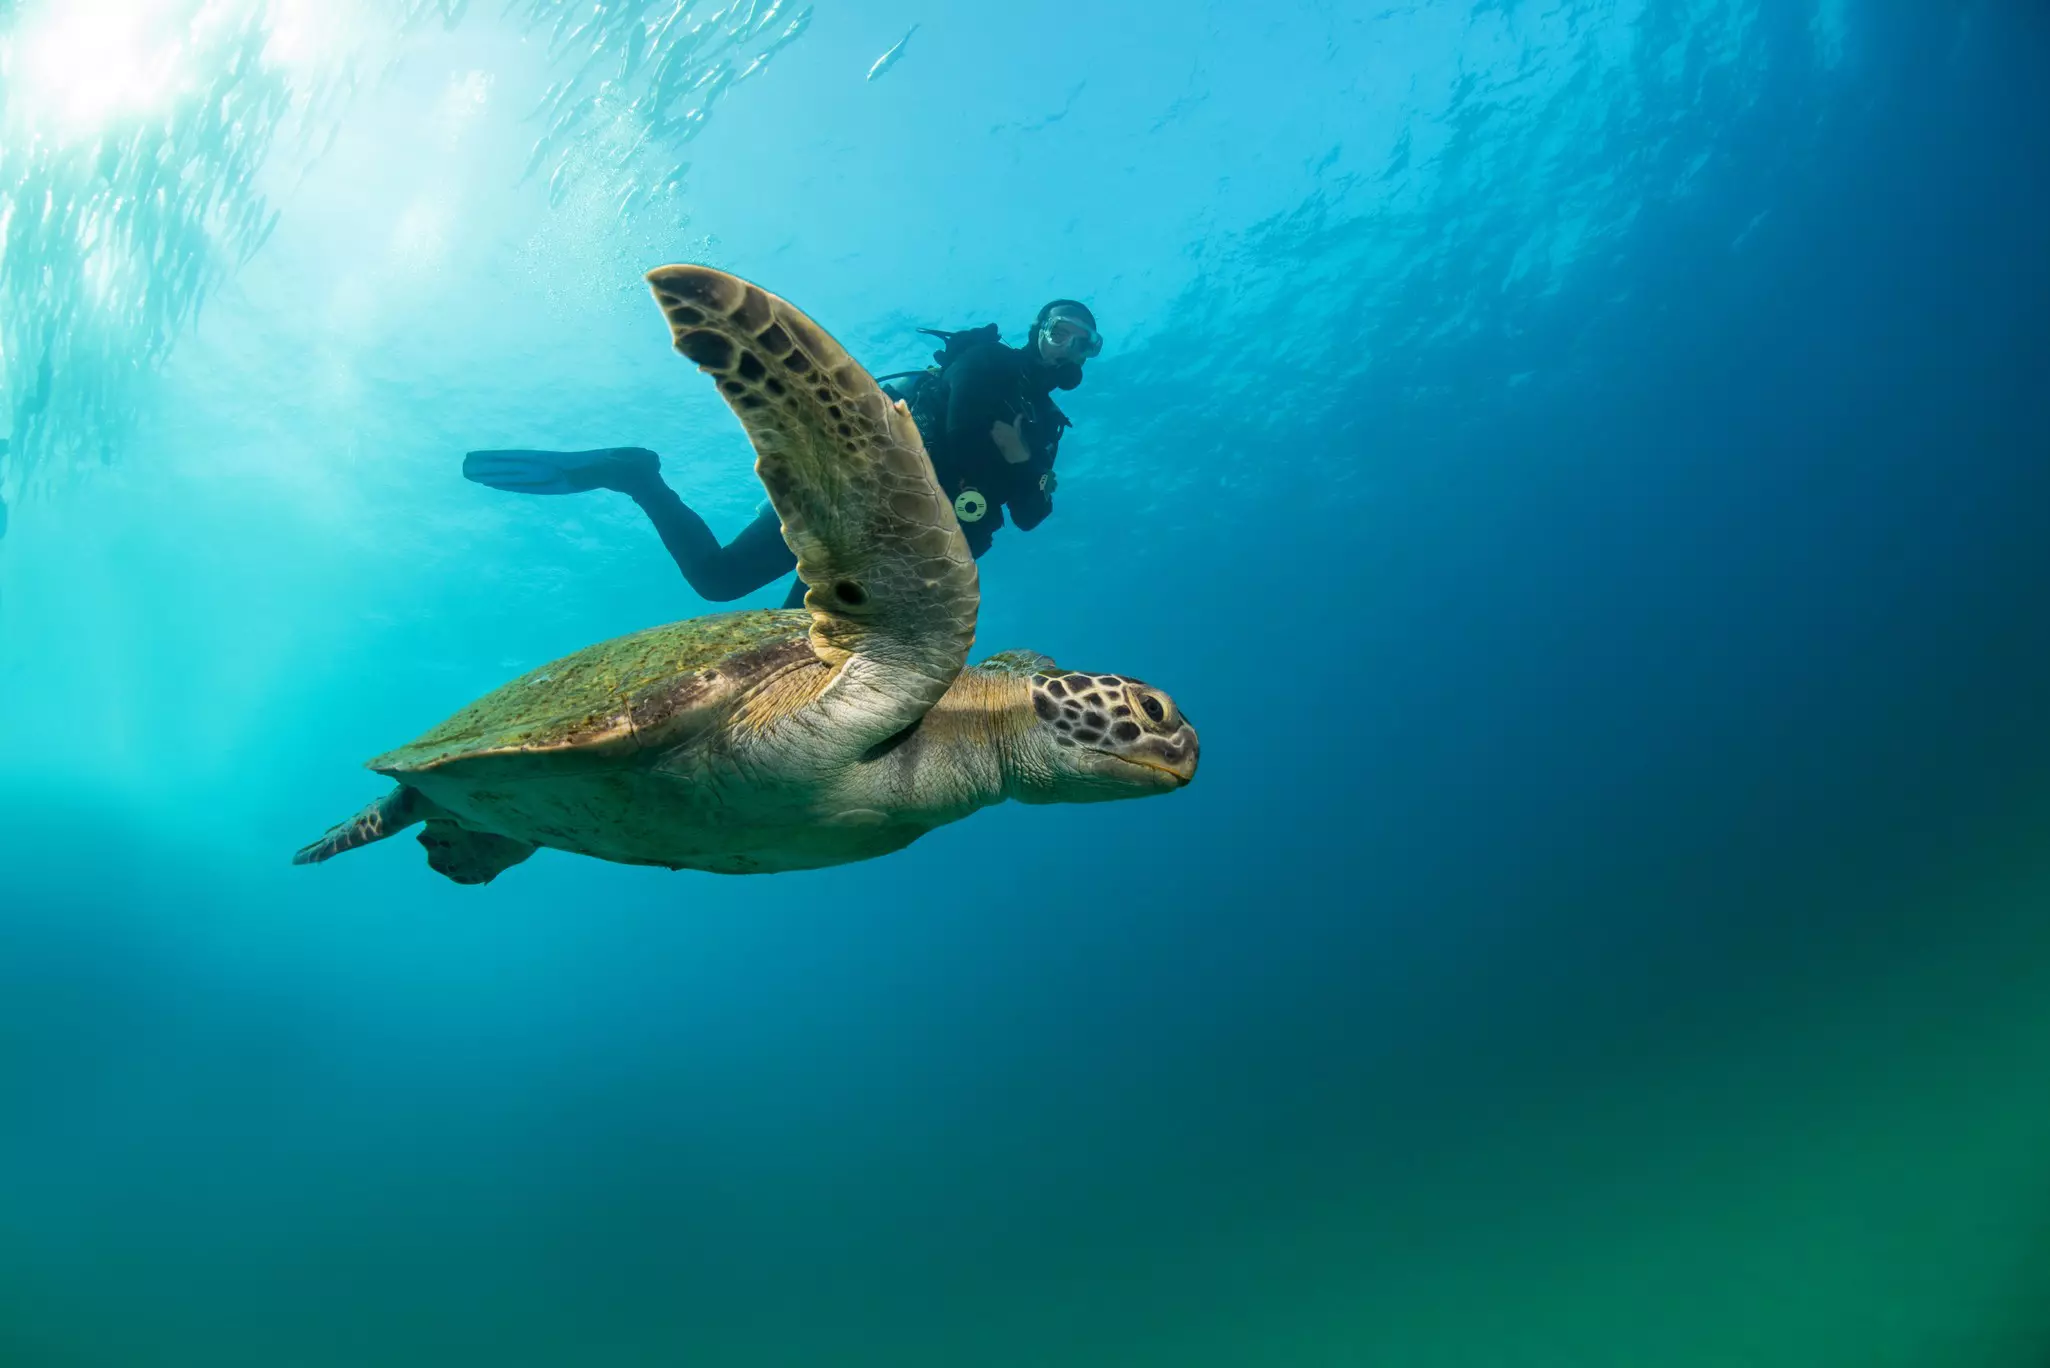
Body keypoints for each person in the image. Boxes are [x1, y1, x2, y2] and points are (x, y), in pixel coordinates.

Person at [462, 299, 1103, 607]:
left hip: (910, 543)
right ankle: (635, 476)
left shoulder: (1048, 424)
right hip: (860, 494)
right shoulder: (987, 362)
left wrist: (1020, 458)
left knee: (724, 588)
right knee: (783, 629)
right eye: (1059, 334)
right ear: (1036, 333)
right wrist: (1018, 466)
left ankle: (638, 476)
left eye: (1083, 344)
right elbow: (964, 437)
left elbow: (1030, 517)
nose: (1067, 351)